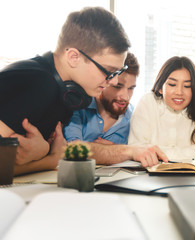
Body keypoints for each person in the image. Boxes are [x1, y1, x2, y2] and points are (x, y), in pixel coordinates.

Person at [0, 7, 166, 175]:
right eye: (109, 71)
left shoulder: (68, 93)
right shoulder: (38, 82)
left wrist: (44, 152)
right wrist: (48, 159)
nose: (114, 80)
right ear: (74, 57)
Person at [128, 56, 195, 161]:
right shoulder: (148, 102)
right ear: (160, 88)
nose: (179, 92)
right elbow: (136, 148)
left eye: (187, 86)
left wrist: (156, 152)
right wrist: (190, 152)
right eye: (172, 84)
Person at [64, 52, 138, 145]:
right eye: (117, 86)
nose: (126, 97)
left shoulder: (135, 119)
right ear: (104, 81)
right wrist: (115, 152)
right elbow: (73, 148)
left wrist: (115, 150)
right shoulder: (79, 106)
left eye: (131, 88)